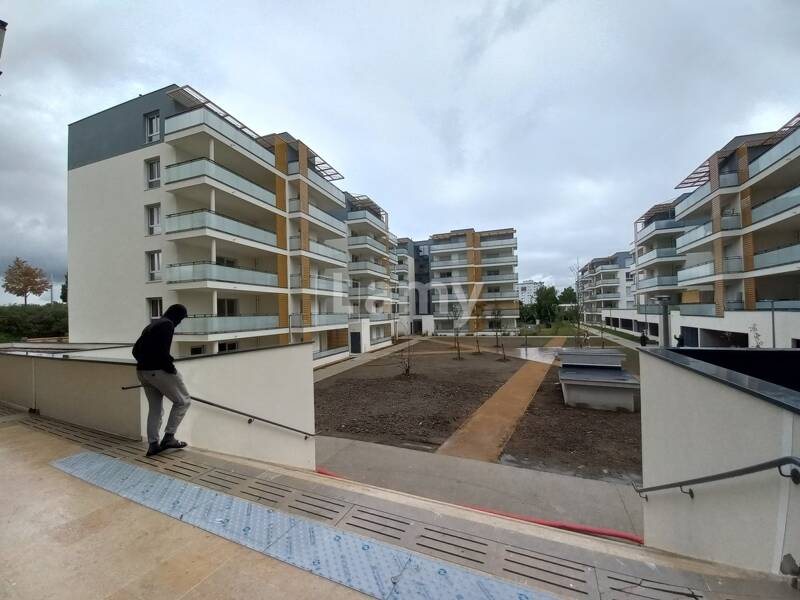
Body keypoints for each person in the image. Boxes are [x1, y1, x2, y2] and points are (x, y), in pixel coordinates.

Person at [132, 304, 191, 456]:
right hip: (158, 371)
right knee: (183, 401)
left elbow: (135, 350)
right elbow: (162, 353)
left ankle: (153, 445)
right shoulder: (167, 325)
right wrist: (171, 369)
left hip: (142, 371)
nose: (180, 322)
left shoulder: (153, 324)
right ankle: (169, 438)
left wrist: (145, 364)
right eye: (181, 318)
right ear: (177, 315)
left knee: (155, 409)